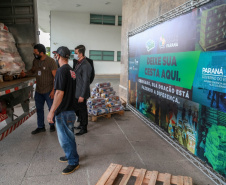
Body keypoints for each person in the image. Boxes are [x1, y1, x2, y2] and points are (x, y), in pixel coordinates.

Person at [47, 46, 79, 175]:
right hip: (70, 108)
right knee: (69, 136)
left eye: (56, 55)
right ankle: (69, 154)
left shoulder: (61, 71)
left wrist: (51, 111)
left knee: (65, 138)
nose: (55, 57)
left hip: (64, 111)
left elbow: (59, 92)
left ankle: (73, 162)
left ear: (59, 56)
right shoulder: (71, 70)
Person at [20, 44, 57, 134]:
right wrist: (26, 74)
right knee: (39, 109)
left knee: (51, 108)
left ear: (41, 52)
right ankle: (41, 127)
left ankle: (52, 125)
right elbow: (32, 71)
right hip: (39, 90)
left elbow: (56, 78)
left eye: (35, 53)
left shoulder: (51, 61)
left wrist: (53, 91)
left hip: (48, 90)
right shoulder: (35, 61)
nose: (34, 54)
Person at [73, 45, 92, 136]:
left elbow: (86, 81)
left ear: (80, 53)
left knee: (83, 110)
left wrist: (82, 95)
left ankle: (84, 127)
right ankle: (81, 124)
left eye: (76, 53)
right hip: (77, 91)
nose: (75, 54)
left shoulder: (86, 64)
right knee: (78, 109)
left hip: (81, 92)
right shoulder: (78, 63)